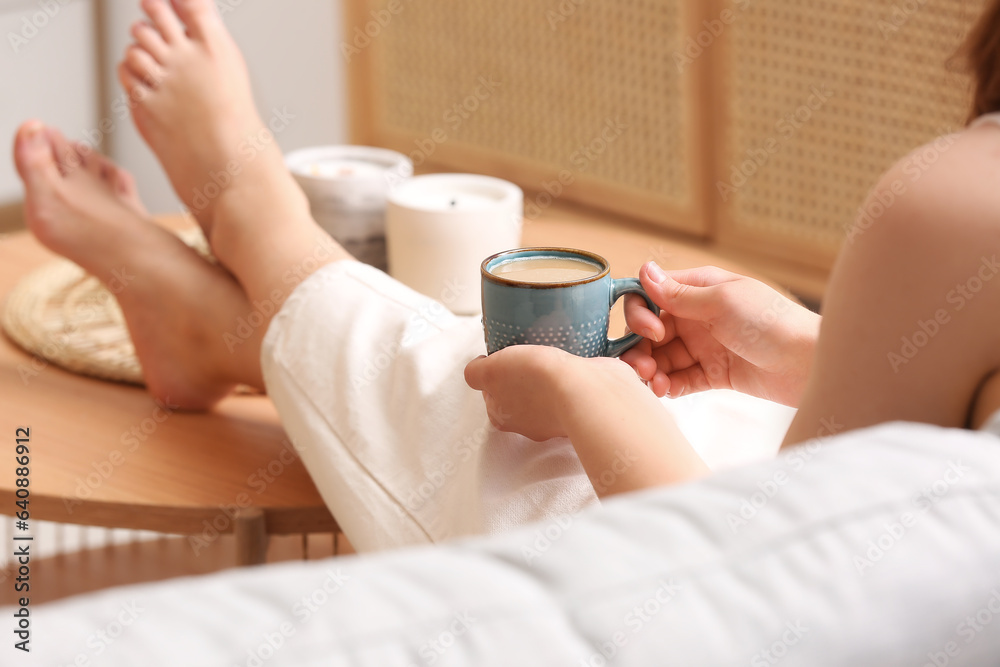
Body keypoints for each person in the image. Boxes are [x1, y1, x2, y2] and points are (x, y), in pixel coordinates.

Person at [11, 0, 1000, 551]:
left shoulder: (958, 203)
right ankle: (211, 320)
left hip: (745, 606)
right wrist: (805, 351)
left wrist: (583, 398)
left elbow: (772, 587)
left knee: (483, 410)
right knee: (710, 413)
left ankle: (250, 214)